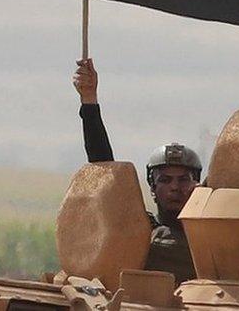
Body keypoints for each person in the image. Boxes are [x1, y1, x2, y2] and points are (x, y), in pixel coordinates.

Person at [73, 58, 199, 283]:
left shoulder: (211, 236)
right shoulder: (140, 229)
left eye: (183, 180)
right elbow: (104, 170)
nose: (175, 188)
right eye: (165, 180)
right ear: (152, 187)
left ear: (196, 184)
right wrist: (89, 100)